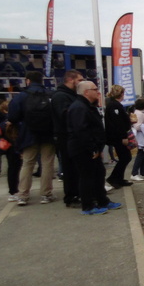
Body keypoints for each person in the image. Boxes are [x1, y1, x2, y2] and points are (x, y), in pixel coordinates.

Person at [66, 81, 121, 215]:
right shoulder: (79, 107)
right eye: (95, 89)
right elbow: (81, 131)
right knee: (87, 177)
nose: (98, 91)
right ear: (86, 92)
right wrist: (93, 149)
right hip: (83, 149)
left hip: (91, 148)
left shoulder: (88, 106)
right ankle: (88, 206)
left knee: (98, 174)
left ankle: (103, 200)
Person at [7, 71, 56, 206]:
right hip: (48, 134)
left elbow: (12, 117)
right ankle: (46, 194)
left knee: (27, 164)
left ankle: (23, 194)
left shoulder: (21, 96)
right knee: (47, 163)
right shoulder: (50, 94)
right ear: (42, 81)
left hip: (28, 134)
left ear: (27, 80)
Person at [51, 69, 84, 207]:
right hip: (66, 137)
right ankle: (71, 196)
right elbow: (66, 116)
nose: (82, 83)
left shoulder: (71, 95)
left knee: (76, 167)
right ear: (71, 80)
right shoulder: (61, 96)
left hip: (72, 137)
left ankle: (77, 193)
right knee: (70, 168)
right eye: (80, 80)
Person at [0, 100, 23, 202]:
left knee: (12, 170)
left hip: (8, 148)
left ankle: (13, 191)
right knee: (20, 169)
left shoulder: (2, 123)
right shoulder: (17, 121)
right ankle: (19, 190)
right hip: (17, 147)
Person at [104, 85, 133, 189]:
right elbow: (117, 123)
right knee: (125, 157)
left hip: (117, 136)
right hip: (118, 137)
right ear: (121, 94)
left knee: (124, 157)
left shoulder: (114, 105)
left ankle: (119, 178)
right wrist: (123, 136)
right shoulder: (114, 106)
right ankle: (113, 178)